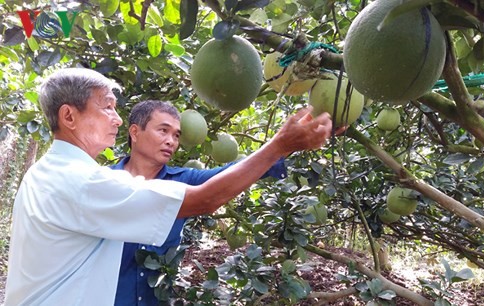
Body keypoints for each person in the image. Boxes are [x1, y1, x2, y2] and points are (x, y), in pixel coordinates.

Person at [5, 67, 333, 306]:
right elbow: (206, 199)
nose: (116, 119)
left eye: (176, 134)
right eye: (107, 106)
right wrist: (279, 145)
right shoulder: (84, 181)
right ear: (69, 116)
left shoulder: (50, 173)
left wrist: (282, 152)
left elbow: (222, 176)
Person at [112, 100, 287, 305]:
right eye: (163, 131)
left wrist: (286, 146)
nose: (171, 141)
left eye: (176, 135)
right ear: (135, 132)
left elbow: (231, 173)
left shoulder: (183, 181)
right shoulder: (103, 183)